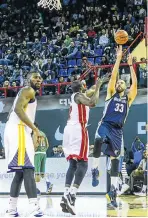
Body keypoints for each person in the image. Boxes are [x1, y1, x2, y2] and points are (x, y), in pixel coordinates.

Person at [92, 46, 137, 207]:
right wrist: (118, 59)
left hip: (118, 131)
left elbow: (135, 86)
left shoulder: (128, 99)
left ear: (125, 87)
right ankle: (95, 169)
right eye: (118, 82)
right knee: (98, 140)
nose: (119, 83)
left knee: (115, 161)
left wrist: (131, 65)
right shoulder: (111, 93)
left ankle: (112, 193)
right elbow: (112, 78)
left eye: (121, 82)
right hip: (106, 124)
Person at [60, 76, 108, 215]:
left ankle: (65, 194)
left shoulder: (77, 95)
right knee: (83, 163)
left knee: (73, 164)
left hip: (69, 130)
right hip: (78, 130)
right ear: (81, 87)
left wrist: (99, 83)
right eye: (83, 84)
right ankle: (72, 195)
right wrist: (99, 85)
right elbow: (92, 102)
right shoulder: (80, 96)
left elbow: (91, 91)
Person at [4, 72, 43, 217]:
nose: (38, 79)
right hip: (18, 129)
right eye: (35, 77)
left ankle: (12, 209)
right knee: (28, 169)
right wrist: (35, 129)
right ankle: (34, 207)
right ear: (28, 80)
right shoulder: (29, 90)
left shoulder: (26, 92)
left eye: (40, 78)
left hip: (17, 129)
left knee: (20, 173)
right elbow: (18, 109)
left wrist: (31, 131)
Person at [32, 123, 53, 195]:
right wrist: (43, 150)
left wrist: (33, 151)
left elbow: (35, 144)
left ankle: (37, 190)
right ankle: (48, 182)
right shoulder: (43, 134)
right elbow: (47, 144)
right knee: (42, 171)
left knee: (36, 172)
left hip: (37, 153)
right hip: (44, 153)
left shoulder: (35, 134)